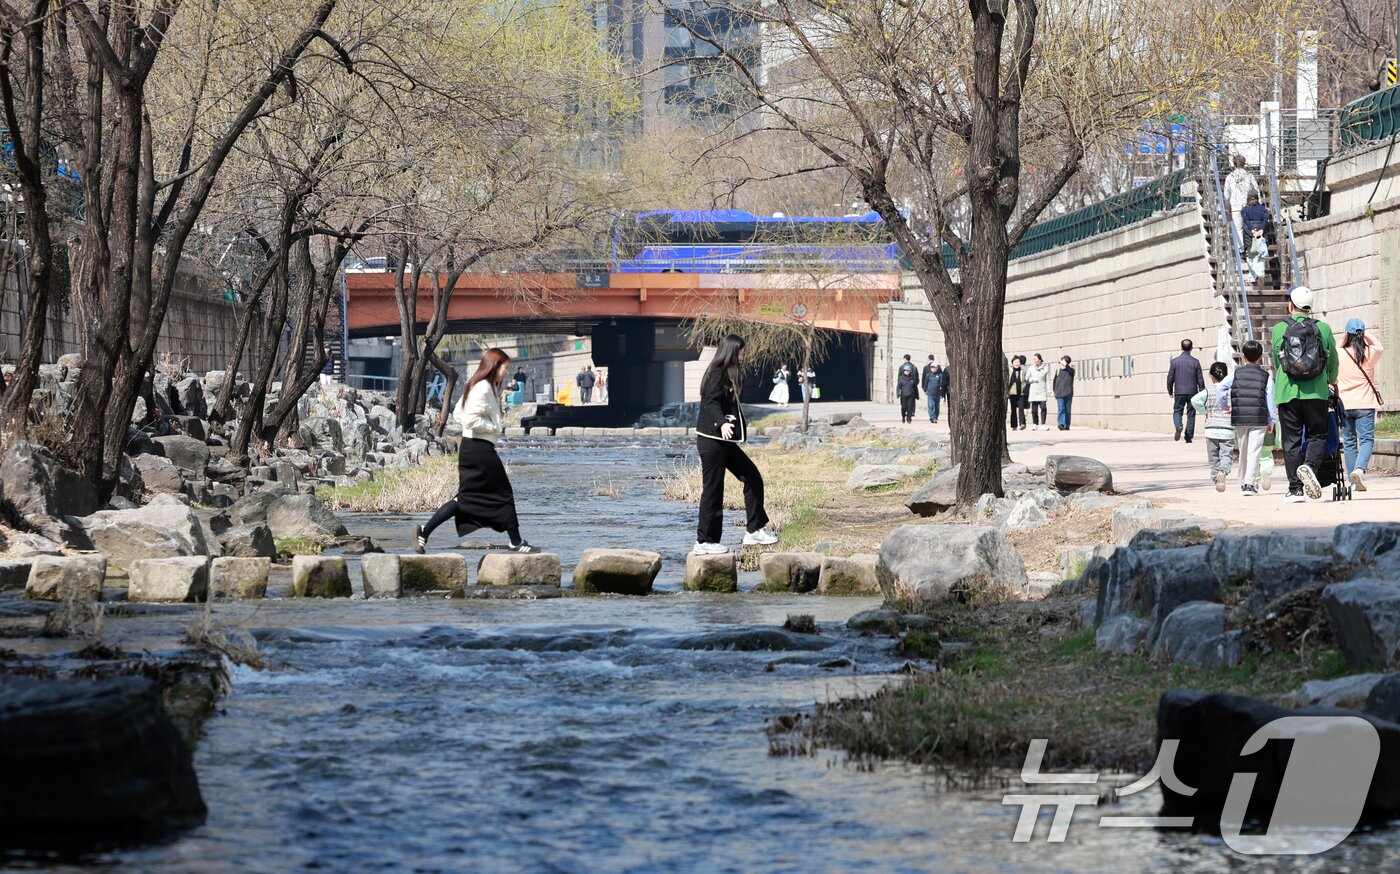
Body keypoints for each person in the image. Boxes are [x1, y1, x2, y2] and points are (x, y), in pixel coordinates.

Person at [414, 348, 538, 554]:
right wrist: (494, 428)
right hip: (480, 449)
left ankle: (424, 532)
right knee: (504, 493)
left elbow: (457, 412)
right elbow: (469, 419)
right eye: (505, 368)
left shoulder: (479, 385)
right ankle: (515, 542)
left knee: (464, 499)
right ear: (494, 366)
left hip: (472, 448)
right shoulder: (483, 388)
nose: (507, 372)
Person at [694, 335, 775, 555]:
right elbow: (710, 402)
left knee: (752, 476)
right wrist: (721, 423)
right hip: (712, 441)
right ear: (731, 352)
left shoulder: (729, 374)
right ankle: (705, 542)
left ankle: (754, 531)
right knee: (713, 490)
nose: (743, 356)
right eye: (741, 352)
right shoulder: (716, 372)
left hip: (725, 442)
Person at [1272, 286, 1338, 502]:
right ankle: (1309, 467)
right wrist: (1330, 379)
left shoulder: (1279, 328)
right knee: (1317, 434)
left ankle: (1295, 489)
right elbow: (1332, 360)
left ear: (1290, 305)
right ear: (1310, 307)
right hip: (1316, 392)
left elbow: (1276, 359)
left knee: (1291, 440)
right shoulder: (1323, 328)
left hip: (1287, 392)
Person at [1218, 339, 1277, 495]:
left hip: (1240, 417)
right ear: (1260, 357)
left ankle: (1243, 481)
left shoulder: (1235, 374)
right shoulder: (1266, 376)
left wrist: (1225, 406)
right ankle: (1249, 484)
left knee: (1243, 450)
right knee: (1254, 451)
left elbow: (1220, 389)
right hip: (1259, 417)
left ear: (1243, 356)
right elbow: (1270, 399)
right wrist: (1272, 420)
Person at [1337, 318, 1383, 492]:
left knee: (1348, 442)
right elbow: (1379, 346)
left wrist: (1343, 340)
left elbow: (1335, 350)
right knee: (1366, 440)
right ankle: (1359, 469)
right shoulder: (1370, 353)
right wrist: (1366, 334)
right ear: (1362, 334)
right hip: (1365, 404)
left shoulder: (1340, 353)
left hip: (1345, 404)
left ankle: (1352, 480)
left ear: (1346, 334)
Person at [1192, 361, 1235, 492]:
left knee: (1213, 457)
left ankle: (1216, 479)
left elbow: (1194, 400)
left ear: (1211, 376)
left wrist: (1205, 412)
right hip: (1227, 428)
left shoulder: (1208, 391)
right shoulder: (1231, 391)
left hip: (1211, 429)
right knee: (1226, 455)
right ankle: (1223, 470)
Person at [1167, 339, 1204, 443]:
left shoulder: (1174, 362)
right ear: (1191, 348)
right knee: (1191, 413)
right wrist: (1202, 392)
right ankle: (1188, 436)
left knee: (1177, 411)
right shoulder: (1196, 362)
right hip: (1193, 391)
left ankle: (1179, 425)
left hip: (1179, 391)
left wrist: (1170, 390)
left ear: (1181, 348)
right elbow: (1200, 379)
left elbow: (1170, 377)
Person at [1224, 154, 1260, 246]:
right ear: (1244, 164)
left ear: (1234, 164)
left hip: (1236, 206)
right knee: (1251, 227)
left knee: (1238, 229)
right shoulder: (1249, 176)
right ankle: (1253, 248)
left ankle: (1241, 250)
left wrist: (1228, 206)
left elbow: (1226, 195)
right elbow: (1256, 190)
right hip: (1249, 206)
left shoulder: (1230, 177)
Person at [1025, 353, 1051, 430]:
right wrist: (1033, 380)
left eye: (1035, 359)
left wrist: (1049, 390)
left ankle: (1043, 424)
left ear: (1040, 359)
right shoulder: (1031, 368)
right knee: (1034, 409)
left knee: (1043, 407)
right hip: (1033, 390)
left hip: (1042, 390)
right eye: (1033, 359)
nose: (1034, 360)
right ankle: (1035, 424)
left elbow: (1048, 380)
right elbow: (1026, 378)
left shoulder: (1046, 368)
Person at [1054, 355, 1074, 430]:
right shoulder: (1058, 370)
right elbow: (1055, 382)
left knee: (1067, 410)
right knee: (1061, 408)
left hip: (1068, 393)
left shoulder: (1071, 370)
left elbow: (1069, 370)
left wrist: (1065, 364)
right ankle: (1061, 424)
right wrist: (1054, 391)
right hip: (1059, 393)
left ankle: (1066, 425)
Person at [921, 355, 943, 423]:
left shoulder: (940, 375)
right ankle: (932, 417)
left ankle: (935, 417)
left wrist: (942, 392)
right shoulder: (928, 375)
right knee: (930, 406)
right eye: (932, 367)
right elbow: (925, 382)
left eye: (934, 367)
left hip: (937, 393)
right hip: (930, 393)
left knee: (936, 407)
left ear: (937, 368)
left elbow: (942, 383)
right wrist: (925, 389)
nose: (933, 368)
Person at [1007, 355, 1027, 431]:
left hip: (1020, 393)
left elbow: (1024, 381)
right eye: (1015, 362)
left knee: (1021, 408)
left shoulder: (1022, 371)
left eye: (1018, 362)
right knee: (1013, 410)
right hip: (1012, 393)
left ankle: (1022, 423)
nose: (1017, 363)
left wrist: (1024, 389)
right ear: (1012, 363)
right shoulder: (1010, 371)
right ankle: (1014, 425)